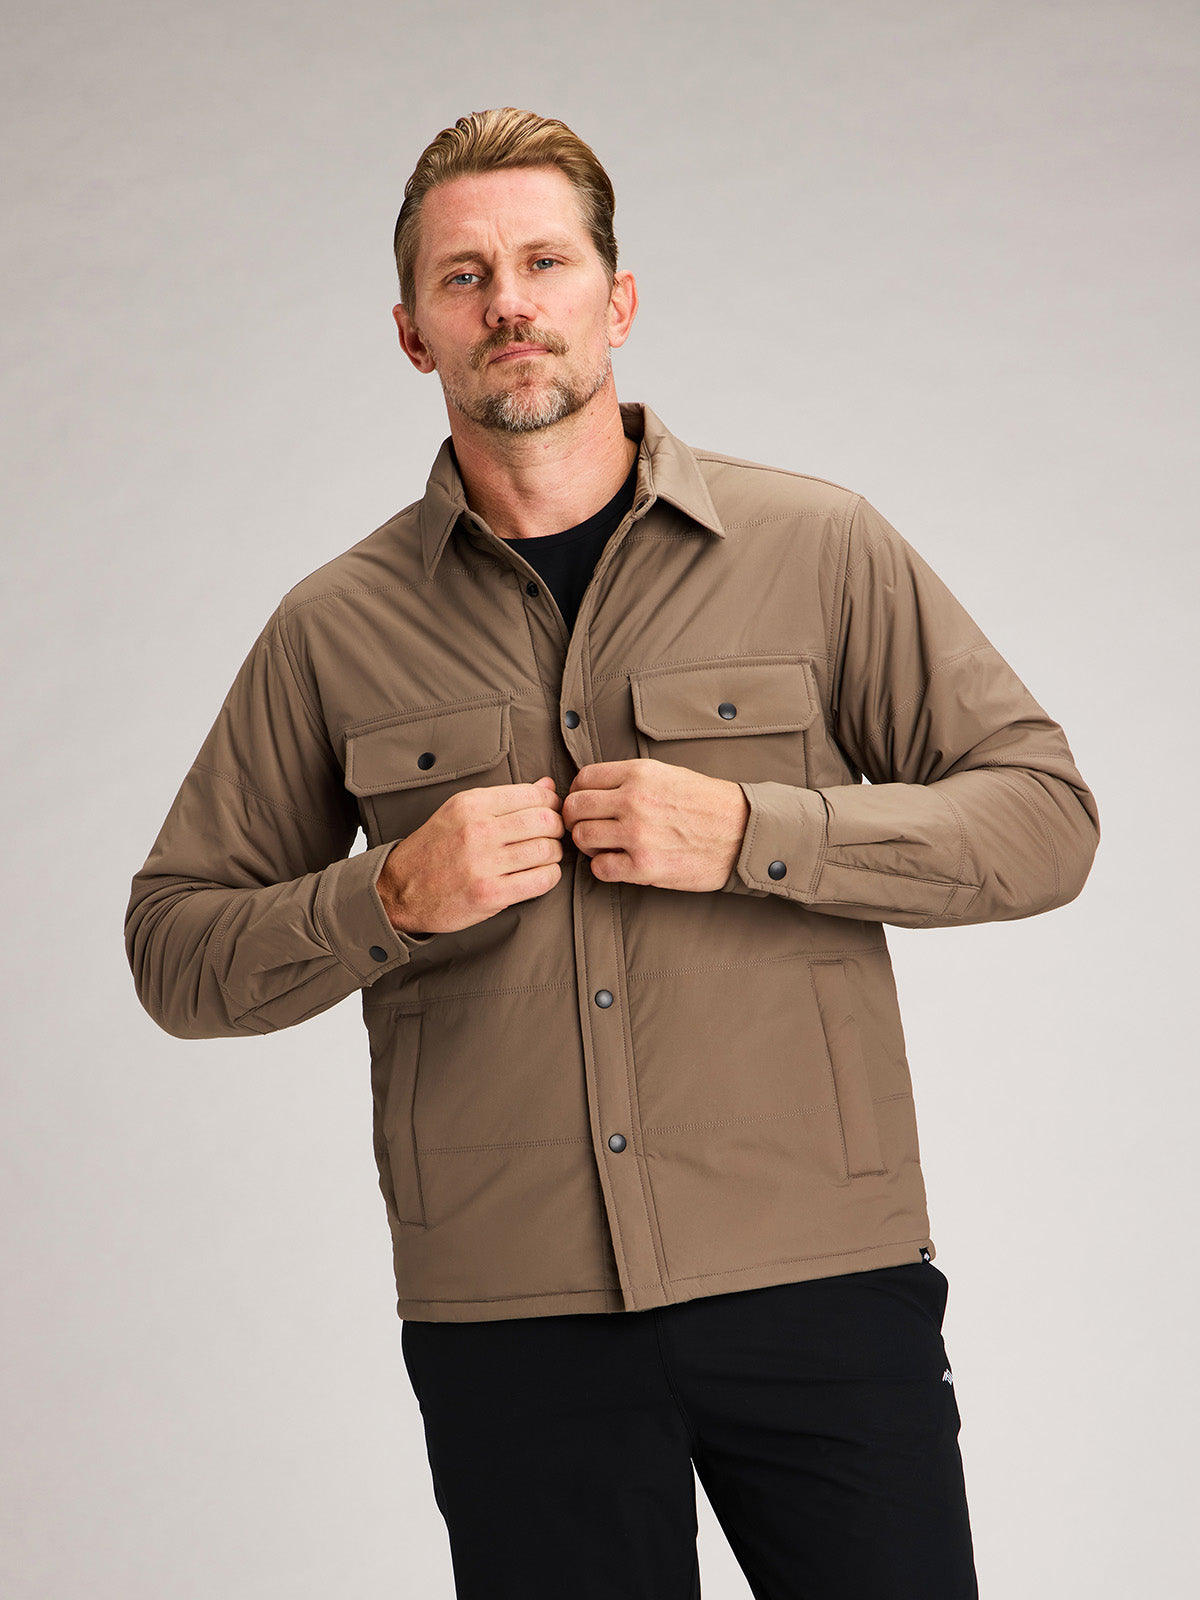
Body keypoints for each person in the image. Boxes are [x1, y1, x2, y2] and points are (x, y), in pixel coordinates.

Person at [126, 108, 1099, 1599]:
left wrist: (761, 834)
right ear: (412, 332)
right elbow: (173, 950)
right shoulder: (333, 629)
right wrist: (388, 897)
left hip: (820, 1280)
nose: (507, 303)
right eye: (463, 277)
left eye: (544, 262)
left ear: (617, 299)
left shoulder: (818, 546)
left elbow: (1044, 817)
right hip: (510, 1321)